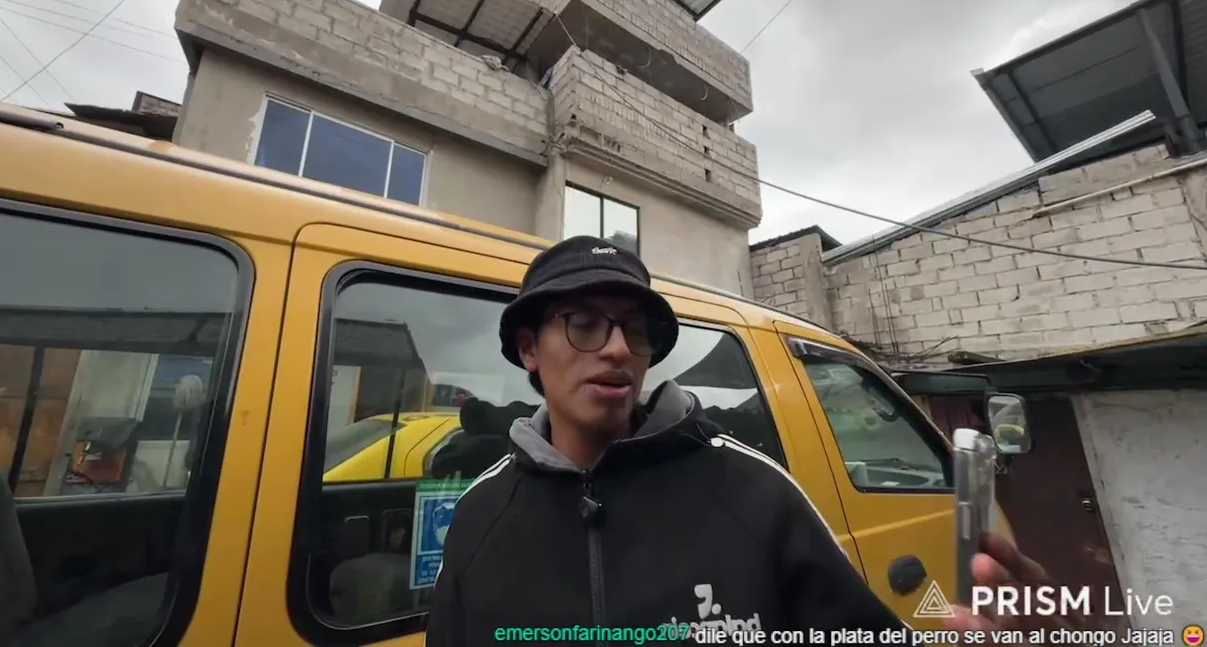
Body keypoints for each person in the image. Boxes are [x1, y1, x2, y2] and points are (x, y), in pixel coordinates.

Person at [424, 235, 1061, 645]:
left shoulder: (754, 494)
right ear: (529, 349)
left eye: (635, 330)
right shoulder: (481, 516)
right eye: (584, 324)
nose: (618, 348)